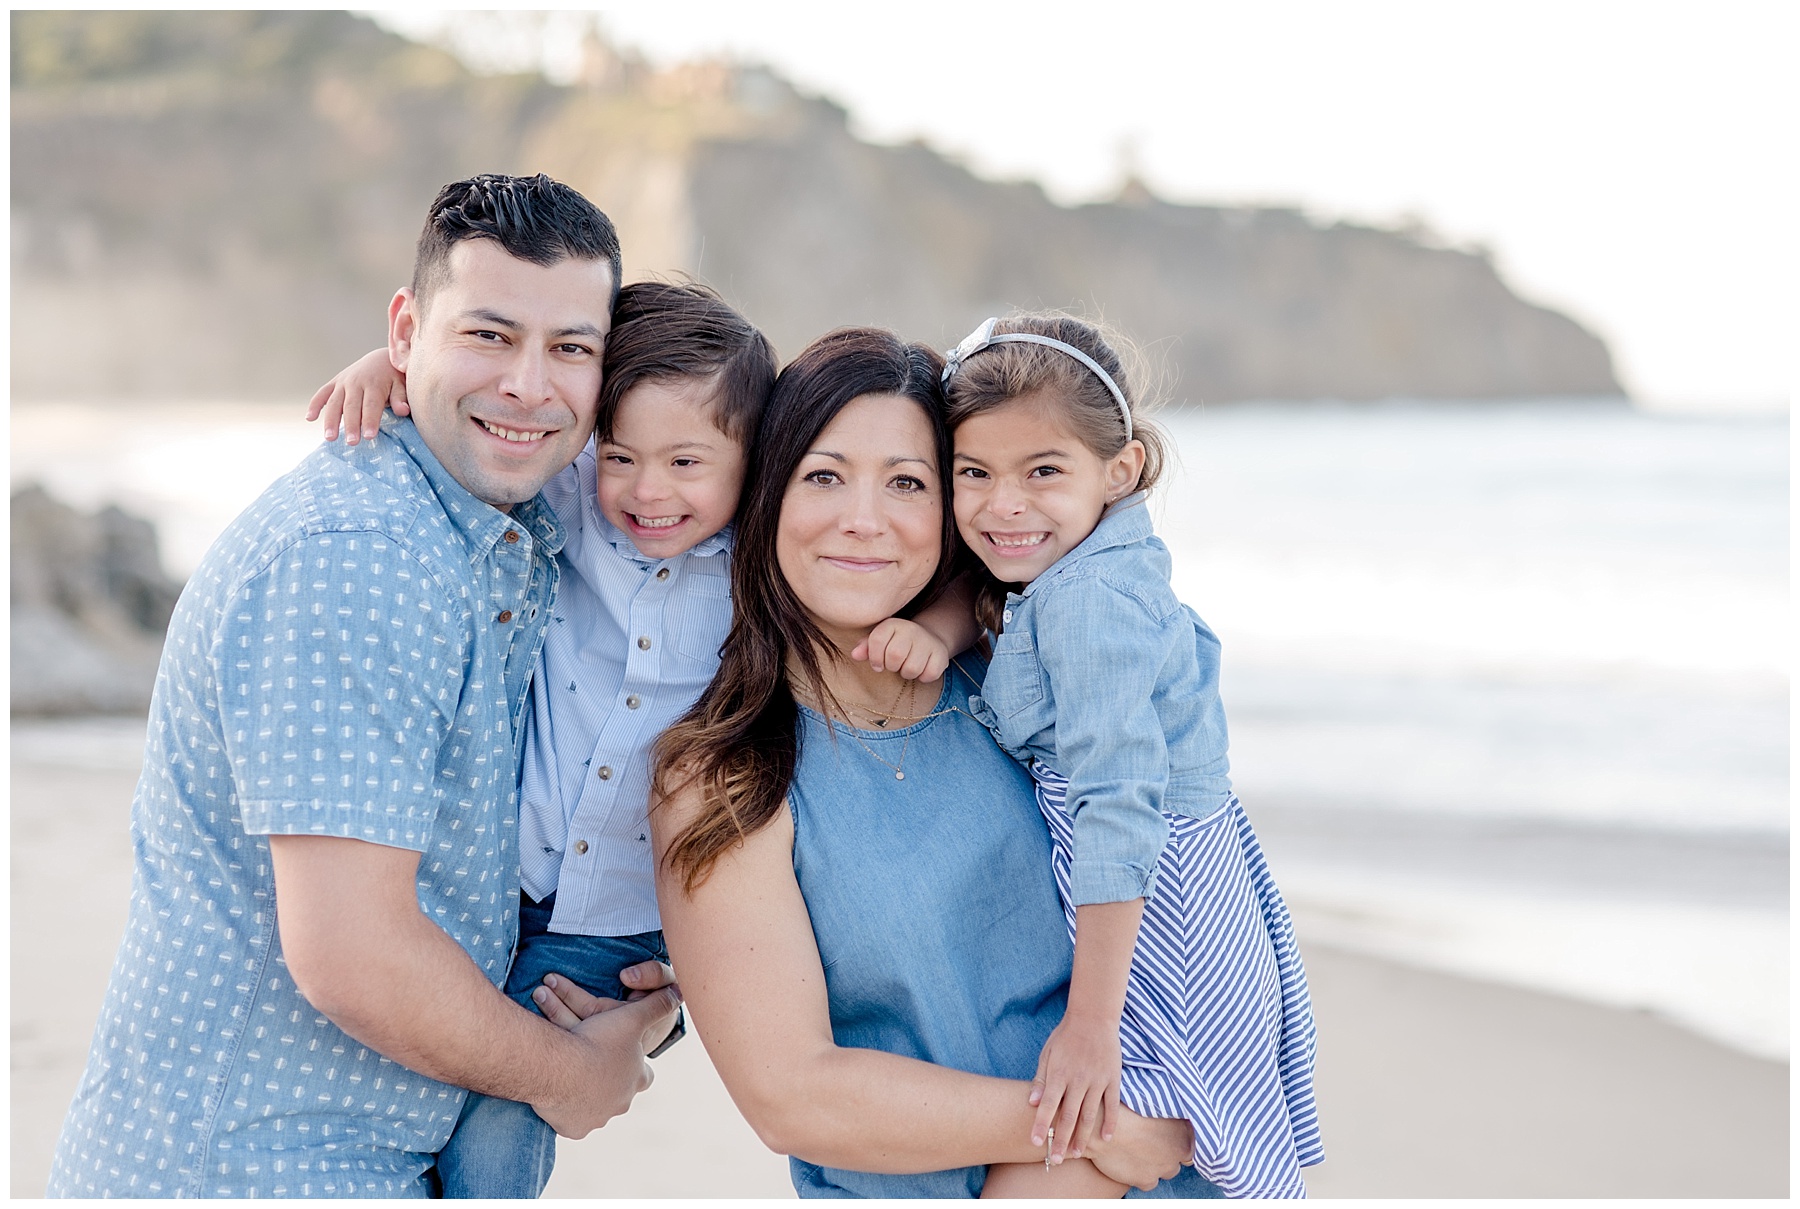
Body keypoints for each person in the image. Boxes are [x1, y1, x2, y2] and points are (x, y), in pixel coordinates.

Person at [47, 174, 680, 1198]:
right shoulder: (359, 557)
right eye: (487, 334)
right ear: (405, 330)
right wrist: (574, 1074)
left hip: (368, 1155)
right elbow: (354, 954)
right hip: (250, 1170)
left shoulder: (506, 521)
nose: (529, 384)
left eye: (571, 348)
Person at [306, 286, 967, 1197]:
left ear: (747, 463)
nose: (651, 491)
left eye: (688, 461)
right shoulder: (579, 504)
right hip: (503, 882)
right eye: (623, 457)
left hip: (614, 928)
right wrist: (392, 371)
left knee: (499, 1135)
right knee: (413, 1083)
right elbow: (504, 427)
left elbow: (958, 573)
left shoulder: (758, 557)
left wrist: (946, 624)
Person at [540, 326, 1223, 1197]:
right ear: (765, 492)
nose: (863, 519)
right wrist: (1092, 1125)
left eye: (907, 482)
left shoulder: (1023, 685)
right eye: (823, 476)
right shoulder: (724, 776)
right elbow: (796, 1096)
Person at [939, 315, 1324, 1197]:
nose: (1004, 504)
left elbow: (1116, 807)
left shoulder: (1088, 601)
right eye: (975, 473)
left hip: (1156, 905)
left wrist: (1088, 1021)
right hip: (1187, 872)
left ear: (1122, 469)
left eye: (1043, 471)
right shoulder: (1092, 565)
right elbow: (1005, 601)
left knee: (1117, 1114)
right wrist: (940, 624)